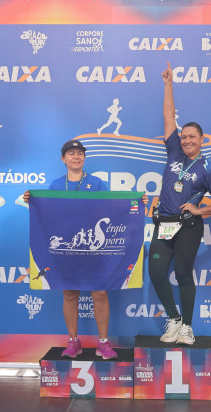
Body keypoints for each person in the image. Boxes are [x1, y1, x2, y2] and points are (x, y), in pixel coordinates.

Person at [24, 139, 147, 360]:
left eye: (80, 153)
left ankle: (103, 342)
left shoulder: (97, 183)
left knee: (100, 292)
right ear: (63, 159)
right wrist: (32, 200)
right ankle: (73, 341)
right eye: (71, 153)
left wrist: (137, 201)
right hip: (67, 249)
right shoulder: (55, 186)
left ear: (84, 158)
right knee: (70, 293)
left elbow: (113, 207)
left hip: (93, 248)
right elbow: (46, 211)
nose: (76, 157)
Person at [149, 62, 211, 345]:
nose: (185, 140)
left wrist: (201, 210)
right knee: (157, 272)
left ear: (201, 140)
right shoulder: (173, 152)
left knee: (183, 274)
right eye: (183, 137)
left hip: (188, 226)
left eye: (191, 137)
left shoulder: (209, 168)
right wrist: (168, 84)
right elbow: (168, 118)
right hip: (164, 224)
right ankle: (173, 319)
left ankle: (187, 327)